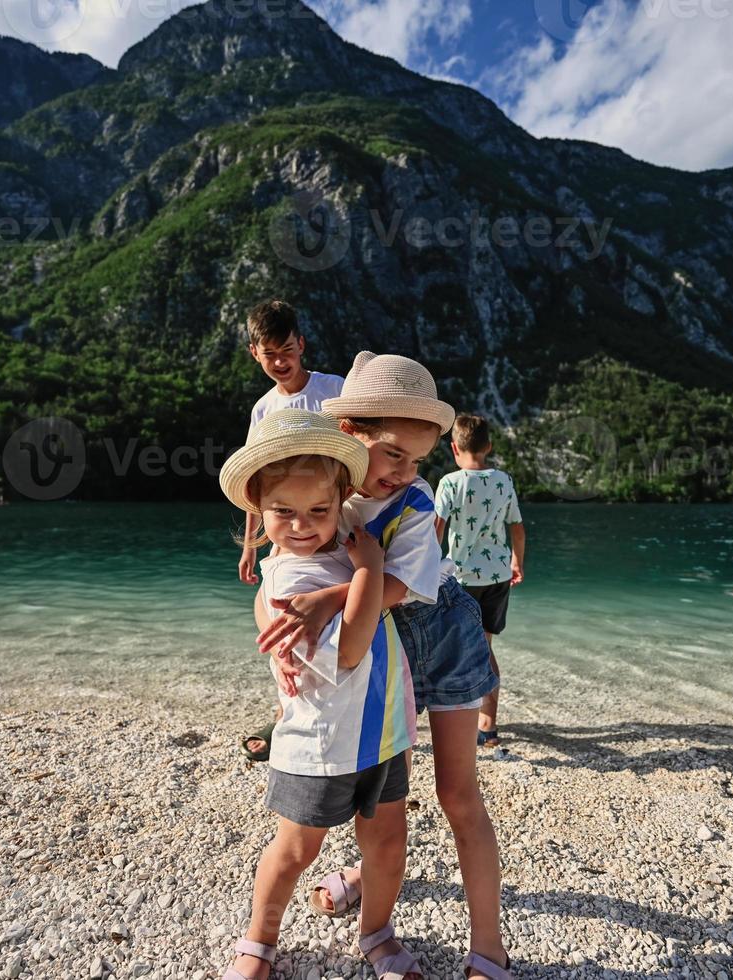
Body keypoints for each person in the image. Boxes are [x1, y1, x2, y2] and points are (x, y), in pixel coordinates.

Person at [256, 353, 513, 980]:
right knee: (370, 772)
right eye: (393, 454)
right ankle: (365, 882)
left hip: (441, 641)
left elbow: (396, 586)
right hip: (379, 655)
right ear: (350, 436)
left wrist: (323, 600)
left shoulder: (416, 505)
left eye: (418, 459)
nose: (404, 472)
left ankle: (488, 949)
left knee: (456, 792)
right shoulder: (328, 491)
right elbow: (280, 557)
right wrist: (271, 617)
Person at [218, 409, 421, 980]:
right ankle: (257, 942)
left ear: (340, 503)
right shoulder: (288, 582)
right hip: (319, 743)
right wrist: (367, 570)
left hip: (380, 731)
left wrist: (363, 566)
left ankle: (377, 932)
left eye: (319, 511)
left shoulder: (341, 548)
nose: (304, 525)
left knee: (385, 843)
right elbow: (351, 648)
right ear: (259, 509)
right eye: (284, 512)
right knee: (295, 850)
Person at [238, 299, 345, 762]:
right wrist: (250, 545)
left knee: (340, 606)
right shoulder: (263, 411)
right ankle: (289, 706)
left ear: (301, 345)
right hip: (284, 526)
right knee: (273, 603)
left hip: (332, 518)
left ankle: (344, 703)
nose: (281, 362)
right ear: (254, 354)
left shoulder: (333, 390)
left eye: (287, 350)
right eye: (269, 354)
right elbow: (256, 482)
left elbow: (361, 452)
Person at [434, 414, 525, 750]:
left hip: (461, 578)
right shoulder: (503, 481)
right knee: (485, 648)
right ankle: (488, 727)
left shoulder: (450, 483)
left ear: (455, 448)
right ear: (488, 446)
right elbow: (517, 526)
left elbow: (437, 527)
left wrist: (425, 566)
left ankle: (457, 719)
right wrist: (517, 560)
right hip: (497, 576)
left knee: (455, 649)